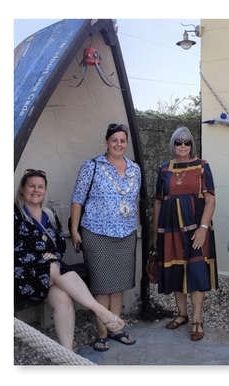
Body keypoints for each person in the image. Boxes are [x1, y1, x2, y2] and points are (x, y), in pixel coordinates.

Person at [15, 169, 129, 350]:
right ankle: (101, 311)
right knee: (54, 267)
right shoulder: (14, 215)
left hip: (50, 274)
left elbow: (60, 245)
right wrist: (40, 257)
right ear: (22, 189)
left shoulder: (49, 214)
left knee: (63, 299)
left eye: (40, 187)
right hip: (24, 276)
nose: (36, 190)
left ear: (45, 190)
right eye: (31, 186)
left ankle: (67, 353)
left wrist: (51, 256)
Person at [70, 123, 140, 351]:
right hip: (96, 233)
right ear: (107, 142)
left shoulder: (134, 169)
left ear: (126, 143)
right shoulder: (92, 166)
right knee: (101, 286)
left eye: (122, 140)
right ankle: (102, 334)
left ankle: (115, 329)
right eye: (114, 140)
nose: (118, 144)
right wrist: (74, 229)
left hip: (126, 233)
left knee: (118, 285)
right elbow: (77, 199)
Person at [151, 127, 218, 341]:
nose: (182, 146)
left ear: (192, 145)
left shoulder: (202, 166)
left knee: (197, 271)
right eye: (178, 142)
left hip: (196, 227)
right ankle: (182, 314)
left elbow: (210, 199)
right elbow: (159, 201)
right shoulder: (164, 169)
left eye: (186, 142)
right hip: (169, 228)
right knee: (176, 269)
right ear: (173, 144)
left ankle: (197, 319)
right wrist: (156, 233)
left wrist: (203, 228)